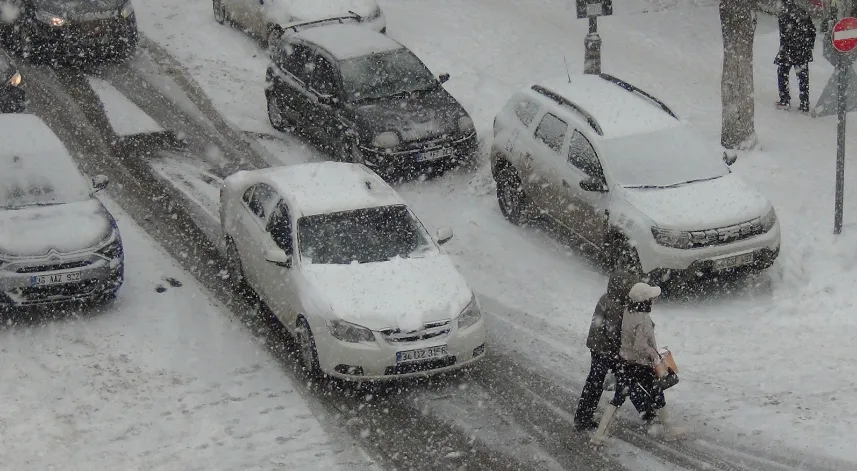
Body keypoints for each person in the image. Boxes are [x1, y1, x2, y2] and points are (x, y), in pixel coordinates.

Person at [591, 282, 677, 444]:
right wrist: (654, 354)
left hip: (625, 361)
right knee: (657, 391)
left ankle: (599, 435)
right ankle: (669, 430)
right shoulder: (642, 319)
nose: (653, 300)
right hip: (639, 364)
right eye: (651, 298)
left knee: (618, 397)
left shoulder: (628, 312)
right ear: (644, 301)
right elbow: (640, 346)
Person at [573, 271, 638, 431]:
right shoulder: (615, 305)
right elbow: (613, 332)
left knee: (594, 381)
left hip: (597, 346)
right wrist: (621, 349)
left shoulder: (607, 298)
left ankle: (584, 416)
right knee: (596, 381)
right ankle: (584, 418)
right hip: (603, 348)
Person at [775, 0, 817, 113]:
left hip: (788, 50)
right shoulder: (803, 13)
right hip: (802, 51)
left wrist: (785, 49)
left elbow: (783, 35)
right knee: (803, 78)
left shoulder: (784, 15)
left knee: (782, 73)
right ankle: (804, 103)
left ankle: (784, 100)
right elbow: (813, 31)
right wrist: (808, 46)